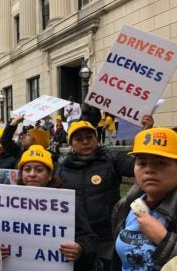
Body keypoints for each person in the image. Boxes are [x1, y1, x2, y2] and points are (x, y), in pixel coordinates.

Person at [54, 116, 154, 271]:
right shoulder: (61, 167)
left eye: (89, 137)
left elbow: (137, 166)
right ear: (70, 144)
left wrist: (146, 135)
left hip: (108, 238)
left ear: (96, 138)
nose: (85, 142)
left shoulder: (111, 158)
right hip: (78, 239)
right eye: (79, 139)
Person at [0, 145, 98, 270]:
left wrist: (80, 249)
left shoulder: (67, 202)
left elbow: (89, 239)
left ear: (50, 175)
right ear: (21, 174)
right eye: (27, 169)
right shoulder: (7, 201)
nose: (32, 174)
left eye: (39, 170)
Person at [111, 127, 177, 270]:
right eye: (142, 163)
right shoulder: (123, 207)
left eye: (160, 162)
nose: (149, 169)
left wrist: (165, 241)